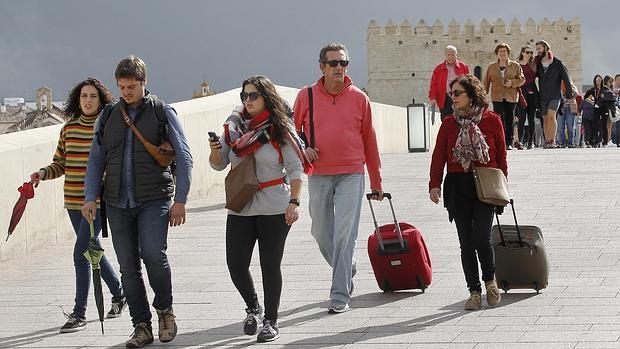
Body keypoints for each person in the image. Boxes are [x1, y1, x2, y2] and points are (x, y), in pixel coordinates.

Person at [82, 56, 193, 348]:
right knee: (128, 267)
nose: (126, 92)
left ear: (144, 83)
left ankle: (165, 313)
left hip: (154, 199)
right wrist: (90, 196)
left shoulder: (161, 112)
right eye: (121, 87)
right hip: (117, 203)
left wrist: (180, 200)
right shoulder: (108, 115)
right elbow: (96, 160)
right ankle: (141, 326)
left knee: (154, 254)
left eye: (132, 86)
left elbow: (184, 157)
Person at [209, 75, 306, 343]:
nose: (248, 100)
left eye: (253, 95)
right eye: (244, 96)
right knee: (235, 264)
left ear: (266, 97)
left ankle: (271, 320)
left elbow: (296, 169)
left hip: (275, 206)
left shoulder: (279, 128)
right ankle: (253, 307)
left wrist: (294, 201)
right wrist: (217, 150)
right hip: (241, 205)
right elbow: (218, 165)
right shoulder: (233, 128)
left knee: (269, 265)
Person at [30, 78, 125, 333]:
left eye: (93, 96)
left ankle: (79, 312)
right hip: (72, 202)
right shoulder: (68, 128)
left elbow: (110, 166)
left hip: (94, 203)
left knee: (81, 253)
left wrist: (96, 196)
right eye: (84, 96)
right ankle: (120, 293)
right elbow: (60, 163)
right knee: (93, 250)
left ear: (101, 100)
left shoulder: (105, 127)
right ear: (77, 99)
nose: (88, 100)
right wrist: (42, 173)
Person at [294, 42, 383, 314]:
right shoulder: (306, 96)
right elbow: (292, 134)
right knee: (321, 233)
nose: (339, 68)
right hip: (319, 173)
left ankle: (340, 293)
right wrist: (304, 150)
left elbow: (369, 140)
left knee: (346, 234)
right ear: (322, 66)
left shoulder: (359, 98)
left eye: (343, 63)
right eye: (333, 63)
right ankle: (347, 268)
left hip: (352, 173)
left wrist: (376, 180)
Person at [429, 74, 507, 311]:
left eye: (457, 93)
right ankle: (473, 291)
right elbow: (439, 155)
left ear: (472, 94)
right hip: (457, 186)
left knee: (481, 238)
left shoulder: (492, 120)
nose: (452, 98)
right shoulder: (448, 123)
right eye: (451, 94)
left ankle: (490, 281)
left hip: (485, 186)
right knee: (466, 243)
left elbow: (502, 158)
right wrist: (434, 184)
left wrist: (502, 188)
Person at [484, 43, 525, 150]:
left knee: (509, 119)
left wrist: (512, 83)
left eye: (504, 51)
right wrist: (483, 95)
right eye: (500, 51)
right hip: (497, 96)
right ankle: (499, 141)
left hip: (511, 96)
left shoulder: (515, 65)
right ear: (497, 53)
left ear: (508, 53)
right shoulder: (491, 67)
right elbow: (486, 82)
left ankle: (509, 142)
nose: (502, 53)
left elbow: (522, 79)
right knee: (499, 119)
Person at [535, 40, 573, 148]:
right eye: (537, 49)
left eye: (540, 48)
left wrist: (569, 93)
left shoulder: (557, 63)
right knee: (545, 118)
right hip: (542, 96)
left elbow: (566, 78)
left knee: (552, 117)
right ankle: (547, 140)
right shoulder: (537, 64)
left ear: (546, 48)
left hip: (555, 95)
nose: (538, 51)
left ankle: (552, 140)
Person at [428, 45, 470, 121]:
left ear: (456, 55)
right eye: (449, 55)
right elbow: (433, 84)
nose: (451, 57)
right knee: (445, 119)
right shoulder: (438, 68)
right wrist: (432, 98)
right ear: (445, 55)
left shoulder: (463, 67)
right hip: (444, 98)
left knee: (461, 118)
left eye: (453, 55)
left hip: (460, 96)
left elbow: (469, 83)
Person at [516, 46, 539, 149]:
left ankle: (531, 141)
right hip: (521, 92)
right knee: (521, 118)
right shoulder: (517, 65)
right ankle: (520, 140)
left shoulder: (533, 64)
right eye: (527, 52)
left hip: (532, 92)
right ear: (522, 53)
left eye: (531, 52)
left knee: (531, 118)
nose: (530, 54)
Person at [583, 75, 615, 147]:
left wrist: (605, 96)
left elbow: (611, 96)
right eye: (597, 80)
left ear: (602, 81)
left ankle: (605, 142)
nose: (598, 81)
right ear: (595, 81)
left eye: (600, 80)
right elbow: (585, 97)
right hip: (596, 108)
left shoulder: (605, 89)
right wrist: (592, 102)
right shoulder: (593, 89)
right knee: (594, 125)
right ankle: (591, 142)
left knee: (604, 125)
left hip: (604, 108)